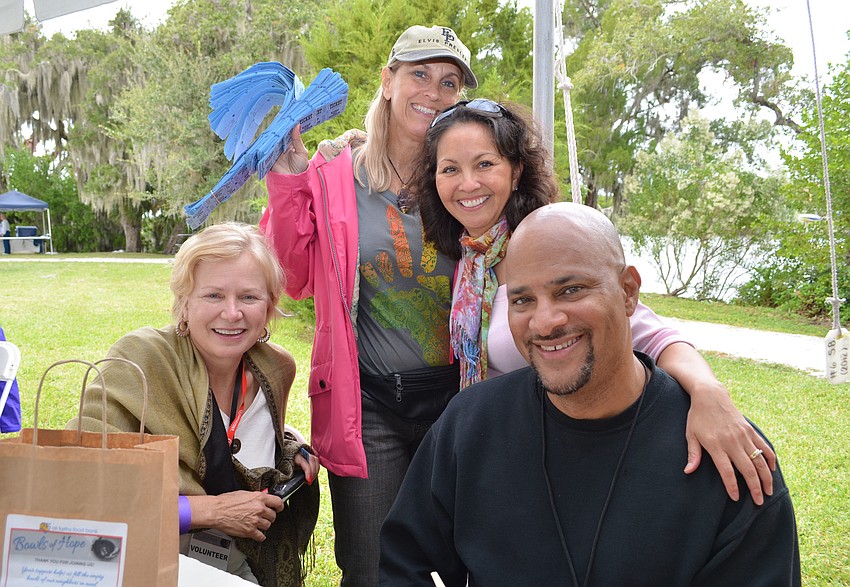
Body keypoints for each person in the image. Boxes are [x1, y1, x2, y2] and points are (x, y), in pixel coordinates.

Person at [380, 202, 801, 586]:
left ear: (628, 291)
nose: (545, 322)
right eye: (523, 299)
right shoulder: (471, 425)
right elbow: (406, 562)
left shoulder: (725, 458)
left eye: (570, 290)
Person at [415, 98, 776, 503]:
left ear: (516, 171)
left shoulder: (554, 246)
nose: (467, 184)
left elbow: (651, 334)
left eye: (485, 164)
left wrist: (709, 391)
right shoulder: (469, 261)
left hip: (568, 455)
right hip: (502, 452)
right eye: (450, 169)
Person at [260, 25, 478, 586]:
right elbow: (293, 277)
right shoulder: (336, 175)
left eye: (449, 82)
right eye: (419, 74)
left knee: (470, 558)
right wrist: (287, 179)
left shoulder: (462, 180)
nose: (433, 91)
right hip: (369, 405)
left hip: (457, 402)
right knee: (371, 568)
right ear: (388, 81)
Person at [72, 222, 320, 586]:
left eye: (249, 297)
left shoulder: (276, 369)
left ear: (269, 308)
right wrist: (212, 511)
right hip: (147, 559)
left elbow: (240, 438)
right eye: (213, 295)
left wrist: (289, 446)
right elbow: (83, 489)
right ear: (184, 303)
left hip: (240, 562)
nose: (232, 313)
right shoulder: (141, 360)